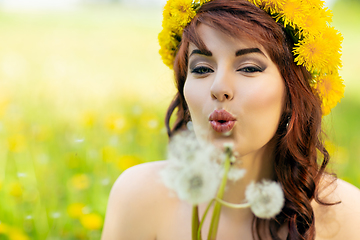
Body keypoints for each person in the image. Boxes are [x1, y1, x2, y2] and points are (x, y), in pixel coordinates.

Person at [101, 0, 360, 239]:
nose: (219, 87)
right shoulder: (139, 197)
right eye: (202, 69)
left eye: (249, 68)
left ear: (293, 91)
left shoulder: (346, 215)